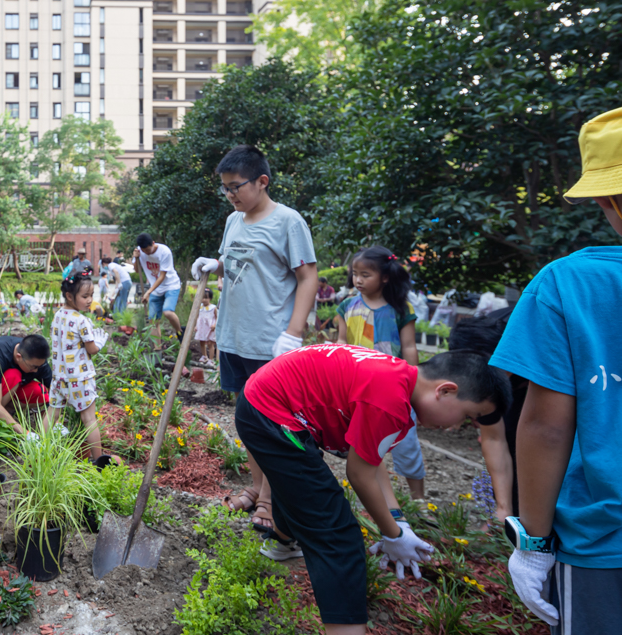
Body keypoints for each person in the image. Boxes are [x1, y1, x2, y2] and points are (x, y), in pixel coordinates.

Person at [236, 345, 510, 635]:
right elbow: (359, 473)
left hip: (265, 403)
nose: (455, 426)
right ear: (445, 391)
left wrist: (398, 522)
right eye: (466, 416)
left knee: (303, 483)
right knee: (340, 540)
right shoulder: (391, 402)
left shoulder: (396, 379)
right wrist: (392, 534)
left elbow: (371, 459)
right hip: (270, 412)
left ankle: (282, 544)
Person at [489, 106, 622, 635]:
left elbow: (545, 426)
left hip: (604, 544)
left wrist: (534, 544)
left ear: (608, 200)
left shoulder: (570, 284)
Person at [190, 144, 318, 546]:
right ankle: (258, 486)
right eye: (225, 188)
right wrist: (215, 264)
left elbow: (308, 277)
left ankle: (270, 500)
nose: (230, 194)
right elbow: (236, 261)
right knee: (248, 422)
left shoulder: (288, 222)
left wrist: (293, 332)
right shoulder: (234, 220)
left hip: (270, 343)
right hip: (234, 337)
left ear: (262, 181)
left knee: (273, 425)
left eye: (236, 186)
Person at [335, 246, 427, 500]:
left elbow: (409, 347)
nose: (358, 280)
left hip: (394, 388)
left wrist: (415, 385)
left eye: (365, 274)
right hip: (358, 386)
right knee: (365, 443)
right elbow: (341, 342)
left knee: (406, 443)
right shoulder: (346, 306)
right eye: (355, 274)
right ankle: (376, 498)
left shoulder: (401, 309)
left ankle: (418, 498)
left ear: (385, 277)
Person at [448, 310, 522, 522]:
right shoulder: (482, 373)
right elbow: (494, 438)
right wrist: (502, 509)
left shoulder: (537, 347)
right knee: (509, 433)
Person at [45, 269, 110, 459]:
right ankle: (99, 463)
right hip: (80, 379)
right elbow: (92, 349)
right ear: (69, 296)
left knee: (52, 415)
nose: (90, 300)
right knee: (89, 419)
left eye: (91, 295)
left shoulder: (58, 315)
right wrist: (100, 342)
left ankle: (39, 454)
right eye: (85, 296)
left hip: (59, 377)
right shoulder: (82, 321)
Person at [0, 334, 53, 434]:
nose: (36, 371)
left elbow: (54, 391)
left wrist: (56, 422)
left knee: (40, 392)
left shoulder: (35, 359)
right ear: (18, 357)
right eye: (33, 367)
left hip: (2, 389)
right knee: (14, 375)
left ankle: (5, 414)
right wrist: (26, 433)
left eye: (40, 366)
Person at [134, 233, 183, 346]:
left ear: (153, 243)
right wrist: (136, 258)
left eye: (148, 250)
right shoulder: (139, 251)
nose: (146, 253)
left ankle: (180, 332)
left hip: (171, 285)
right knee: (153, 321)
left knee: (168, 312)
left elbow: (162, 276)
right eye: (144, 251)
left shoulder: (165, 252)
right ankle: (157, 349)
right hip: (156, 288)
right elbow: (137, 270)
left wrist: (148, 292)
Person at [195, 287, 218, 366]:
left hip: (210, 328)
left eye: (206, 298)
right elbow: (198, 317)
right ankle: (204, 356)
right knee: (201, 341)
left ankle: (211, 359)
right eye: (202, 298)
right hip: (202, 327)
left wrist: (215, 325)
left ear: (210, 298)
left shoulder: (213, 308)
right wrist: (196, 326)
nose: (204, 300)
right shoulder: (200, 307)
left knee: (210, 343)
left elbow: (217, 317)